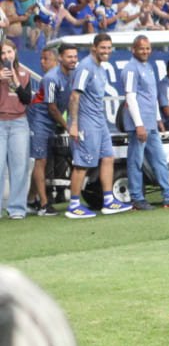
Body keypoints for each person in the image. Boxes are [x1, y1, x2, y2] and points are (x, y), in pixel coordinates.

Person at [64, 33, 130, 218]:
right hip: (85, 122)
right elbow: (74, 97)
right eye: (103, 48)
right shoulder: (85, 67)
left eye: (109, 48)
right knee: (82, 164)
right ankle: (74, 205)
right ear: (94, 47)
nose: (106, 51)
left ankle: (109, 200)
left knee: (108, 157)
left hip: (99, 121)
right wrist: (74, 124)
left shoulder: (101, 68)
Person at [120, 34, 169, 210]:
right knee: (136, 161)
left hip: (151, 121)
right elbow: (130, 97)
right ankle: (137, 198)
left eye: (148, 48)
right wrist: (138, 124)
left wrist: (158, 118)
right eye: (141, 48)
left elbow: (152, 97)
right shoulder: (130, 69)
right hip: (139, 124)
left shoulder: (148, 67)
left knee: (159, 159)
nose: (145, 51)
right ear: (133, 49)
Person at [25, 47, 61, 216]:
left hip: (49, 122)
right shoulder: (49, 78)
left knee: (44, 162)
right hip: (38, 120)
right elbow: (52, 107)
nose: (41, 62)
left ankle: (31, 200)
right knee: (41, 160)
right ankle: (44, 204)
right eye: (41, 58)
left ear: (56, 61)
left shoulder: (58, 76)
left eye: (45, 58)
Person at [0, 40, 32, 219]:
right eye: (3, 53)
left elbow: (27, 99)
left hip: (19, 123)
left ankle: (17, 209)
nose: (6, 56)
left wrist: (16, 82)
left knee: (19, 167)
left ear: (15, 52)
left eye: (9, 52)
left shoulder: (24, 73)